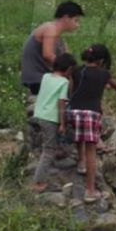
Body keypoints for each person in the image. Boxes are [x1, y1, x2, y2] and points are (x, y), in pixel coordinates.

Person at [68, 44, 116, 203]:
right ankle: (90, 191)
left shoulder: (75, 70)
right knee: (91, 151)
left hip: (74, 112)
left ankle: (81, 163)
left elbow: (70, 90)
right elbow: (115, 86)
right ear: (101, 60)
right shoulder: (104, 74)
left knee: (79, 138)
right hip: (91, 113)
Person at [31, 53, 76, 193]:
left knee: (48, 147)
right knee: (48, 151)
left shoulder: (46, 76)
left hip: (39, 114)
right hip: (50, 118)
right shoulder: (64, 82)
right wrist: (62, 124)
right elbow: (61, 103)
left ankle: (42, 178)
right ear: (68, 69)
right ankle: (39, 182)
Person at [20, 0, 85, 95]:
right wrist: (67, 72)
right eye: (76, 20)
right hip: (39, 78)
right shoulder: (50, 29)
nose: (77, 25)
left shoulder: (60, 38)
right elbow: (48, 55)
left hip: (47, 78)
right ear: (66, 18)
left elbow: (68, 58)